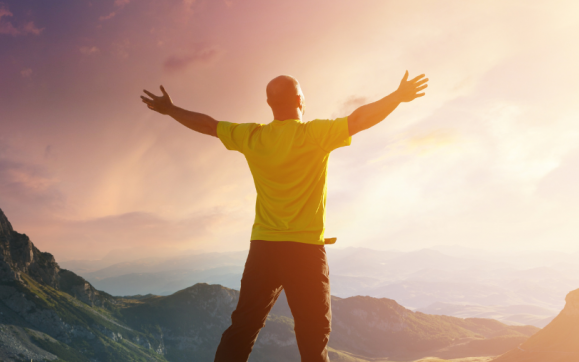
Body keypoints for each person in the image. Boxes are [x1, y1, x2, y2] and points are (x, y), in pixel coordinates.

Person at [139, 71, 429, 362]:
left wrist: (171, 109)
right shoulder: (315, 134)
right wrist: (397, 97)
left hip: (264, 248)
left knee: (242, 329)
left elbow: (209, 125)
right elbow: (359, 119)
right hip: (305, 251)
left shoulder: (253, 136)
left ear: (269, 103)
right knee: (313, 336)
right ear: (301, 100)